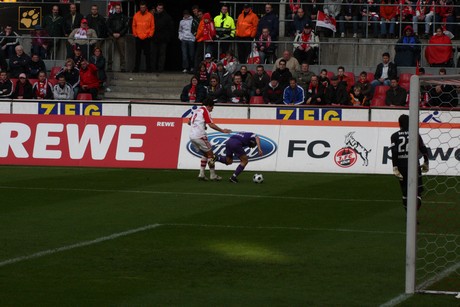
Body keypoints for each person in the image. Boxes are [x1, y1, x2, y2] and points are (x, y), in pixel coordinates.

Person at [390, 114, 429, 212]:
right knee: (418, 192)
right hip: (414, 165)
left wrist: (395, 167)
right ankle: (414, 215)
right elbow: (423, 149)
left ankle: (409, 217)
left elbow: (394, 152)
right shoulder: (415, 134)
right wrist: (426, 161)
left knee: (405, 192)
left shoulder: (394, 136)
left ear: (400, 124)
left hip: (401, 166)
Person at [188, 98, 232, 181]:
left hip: (192, 136)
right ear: (208, 106)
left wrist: (201, 125)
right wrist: (222, 130)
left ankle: (201, 174)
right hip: (200, 136)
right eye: (212, 107)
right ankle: (213, 175)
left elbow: (189, 122)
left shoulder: (197, 110)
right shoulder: (205, 111)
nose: (212, 109)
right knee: (211, 155)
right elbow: (211, 125)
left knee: (205, 154)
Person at [132, 2, 155, 73]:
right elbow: (133, 26)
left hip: (147, 38)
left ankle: (148, 68)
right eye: (141, 7)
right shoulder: (136, 15)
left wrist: (150, 35)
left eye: (143, 7)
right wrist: (135, 34)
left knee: (148, 54)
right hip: (138, 37)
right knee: (137, 54)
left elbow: (152, 26)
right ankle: (136, 69)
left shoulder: (150, 15)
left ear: (145, 8)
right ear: (140, 7)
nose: (142, 8)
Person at [152, 3, 174, 73]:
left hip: (163, 39)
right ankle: (153, 68)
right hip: (154, 38)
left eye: (161, 8)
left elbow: (171, 28)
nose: (159, 9)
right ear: (156, 8)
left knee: (162, 54)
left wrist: (167, 37)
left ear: (163, 9)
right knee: (153, 54)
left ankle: (160, 69)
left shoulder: (167, 17)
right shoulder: (152, 16)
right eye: (158, 8)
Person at [107, 4, 129, 72]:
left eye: (119, 8)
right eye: (117, 8)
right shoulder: (111, 17)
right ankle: (109, 66)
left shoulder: (124, 17)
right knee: (110, 49)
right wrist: (112, 33)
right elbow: (108, 26)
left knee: (122, 51)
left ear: (121, 9)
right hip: (112, 35)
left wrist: (120, 34)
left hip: (121, 36)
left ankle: (122, 67)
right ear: (115, 9)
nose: (118, 9)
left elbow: (126, 27)